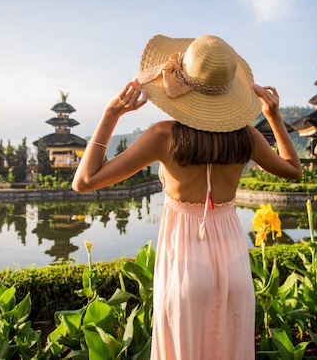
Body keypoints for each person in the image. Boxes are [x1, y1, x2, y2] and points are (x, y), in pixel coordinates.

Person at [72, 34, 302, 359]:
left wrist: (111, 115)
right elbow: (294, 170)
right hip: (233, 263)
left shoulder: (162, 136)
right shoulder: (247, 138)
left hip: (183, 262)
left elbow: (83, 182)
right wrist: (274, 116)